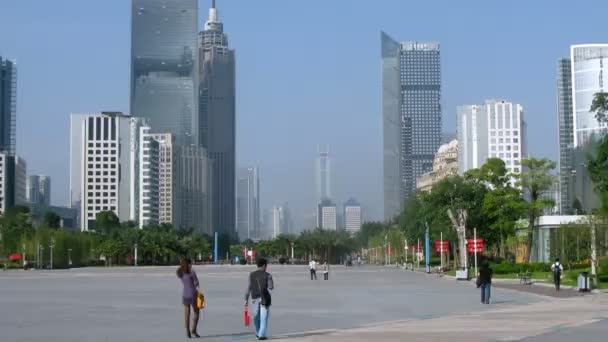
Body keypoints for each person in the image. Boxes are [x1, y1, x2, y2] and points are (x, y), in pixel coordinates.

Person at [245, 258, 274, 340]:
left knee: (256, 317)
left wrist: (246, 299)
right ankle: (261, 335)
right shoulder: (268, 275)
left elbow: (249, 288)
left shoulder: (251, 274)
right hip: (264, 298)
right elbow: (271, 287)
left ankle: (258, 332)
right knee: (263, 317)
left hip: (254, 298)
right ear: (264, 265)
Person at [176, 258, 200, 338]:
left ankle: (187, 331)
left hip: (185, 294)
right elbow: (196, 283)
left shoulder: (180, 272)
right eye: (190, 263)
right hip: (193, 294)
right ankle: (194, 329)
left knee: (187, 314)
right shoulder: (192, 271)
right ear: (189, 264)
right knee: (196, 312)